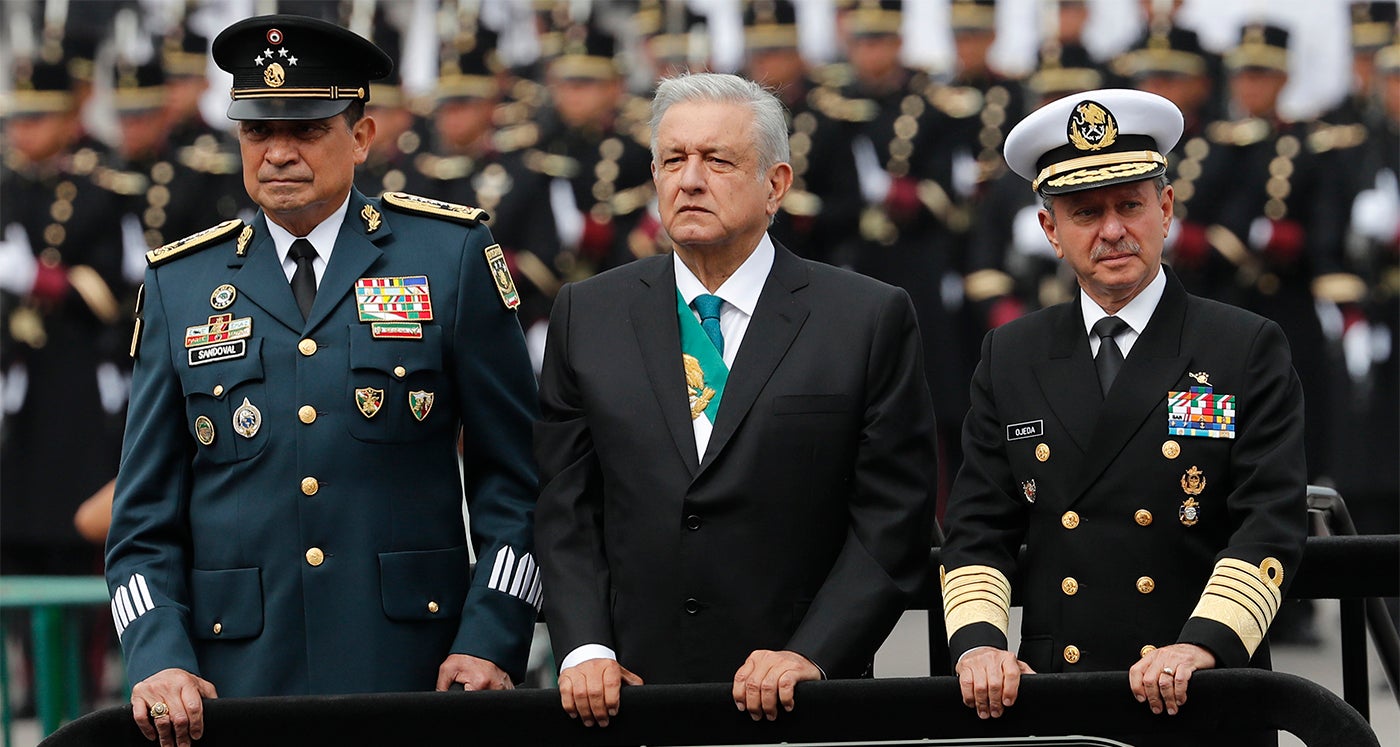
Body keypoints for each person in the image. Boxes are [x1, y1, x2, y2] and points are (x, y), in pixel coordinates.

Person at [103, 15, 539, 747]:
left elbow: (518, 484)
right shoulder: (182, 282)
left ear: (362, 136)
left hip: (415, 671)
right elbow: (140, 525)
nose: (278, 153)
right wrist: (158, 656)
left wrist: (492, 637)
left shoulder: (449, 255)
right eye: (256, 133)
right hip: (236, 682)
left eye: (306, 130)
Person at [535, 72, 937, 728]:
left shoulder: (864, 318)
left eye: (718, 160)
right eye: (673, 159)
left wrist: (812, 653)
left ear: (776, 183)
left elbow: (894, 518)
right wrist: (585, 645)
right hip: (631, 697)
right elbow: (564, 505)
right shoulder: (587, 313)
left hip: (802, 703)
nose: (689, 180)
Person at [939, 89, 1308, 747]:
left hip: (1200, 688)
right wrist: (978, 646)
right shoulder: (1012, 353)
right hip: (1059, 696)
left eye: (1130, 205)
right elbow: (975, 527)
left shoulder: (1242, 345)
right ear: (1051, 231)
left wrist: (1204, 644)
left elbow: (1268, 519)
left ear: (1165, 210)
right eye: (1085, 213)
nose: (1112, 230)